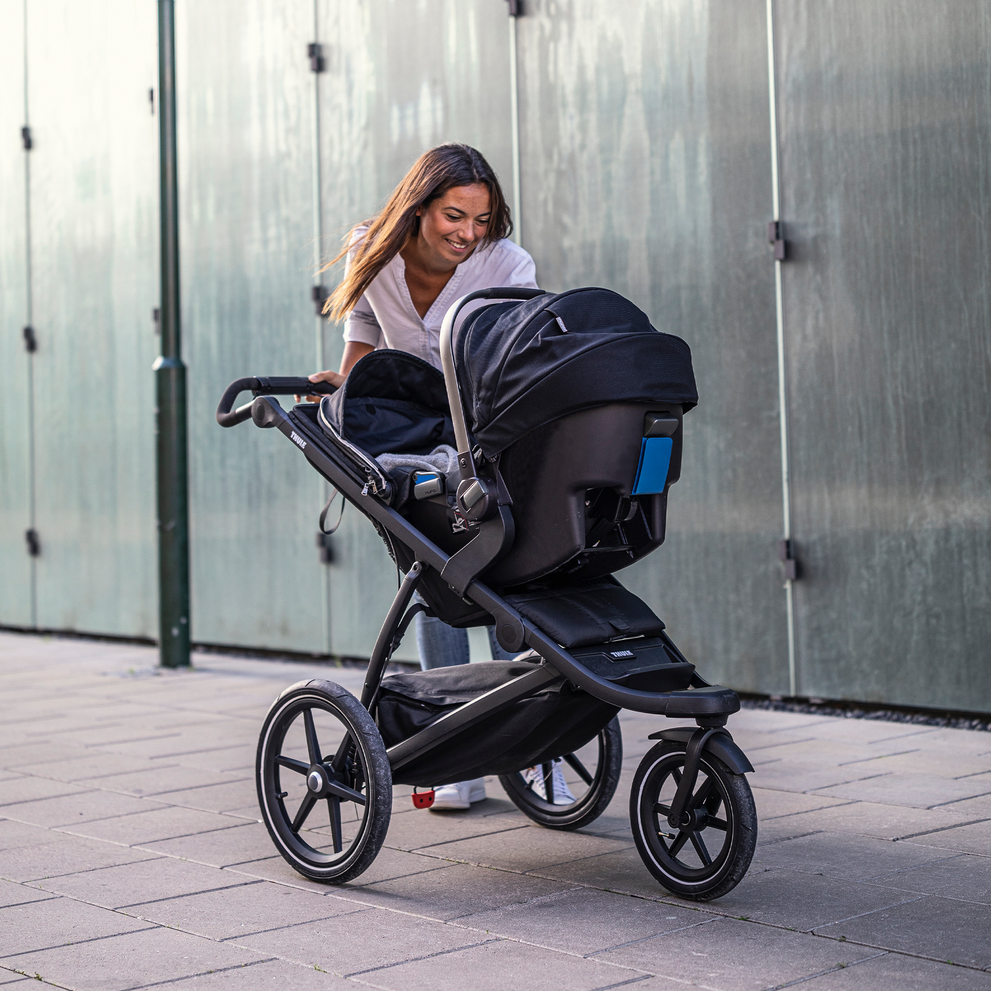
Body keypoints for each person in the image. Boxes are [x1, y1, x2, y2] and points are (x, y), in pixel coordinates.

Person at [309, 143, 574, 811]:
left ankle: (535, 745)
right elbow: (365, 331)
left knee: (505, 574)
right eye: (454, 216)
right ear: (418, 206)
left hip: (491, 438)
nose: (467, 234)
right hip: (420, 440)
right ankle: (451, 755)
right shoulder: (372, 248)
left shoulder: (504, 265)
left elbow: (522, 358)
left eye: (480, 221)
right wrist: (339, 386)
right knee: (431, 569)